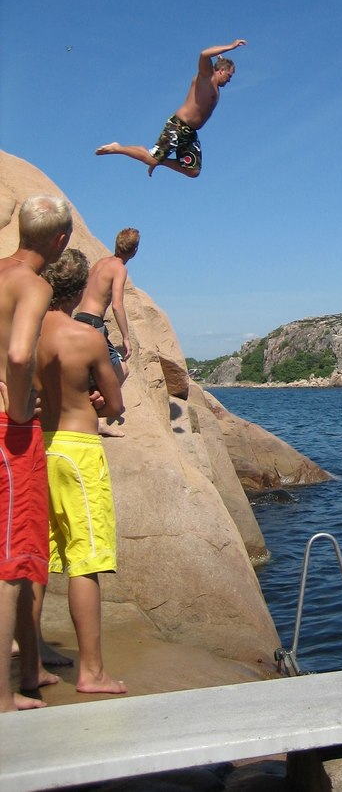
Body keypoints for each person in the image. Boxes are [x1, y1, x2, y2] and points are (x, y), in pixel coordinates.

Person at [35, 248, 127, 695]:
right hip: (78, 448)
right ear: (79, 290)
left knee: (37, 555)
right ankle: (92, 671)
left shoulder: (27, 333)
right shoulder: (86, 338)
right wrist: (100, 401)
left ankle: (32, 653)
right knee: (86, 561)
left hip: (41, 446)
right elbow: (114, 404)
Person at [0, 195, 72, 712]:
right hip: (12, 431)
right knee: (11, 565)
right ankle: (2, 698)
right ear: (60, 240)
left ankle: (30, 668)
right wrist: (23, 402)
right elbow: (20, 352)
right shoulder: (35, 284)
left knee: (24, 555)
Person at [95, 39, 247, 178]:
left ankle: (159, 161)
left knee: (193, 170)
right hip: (178, 126)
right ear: (221, 71)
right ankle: (118, 148)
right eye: (229, 75)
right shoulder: (207, 77)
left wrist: (220, 59)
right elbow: (204, 54)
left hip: (190, 133)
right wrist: (231, 46)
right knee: (151, 159)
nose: (229, 80)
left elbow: (216, 62)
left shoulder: (215, 85)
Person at [74, 228, 139, 437]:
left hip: (79, 319)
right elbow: (117, 305)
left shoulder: (100, 263)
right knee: (122, 369)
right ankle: (99, 421)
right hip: (94, 324)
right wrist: (126, 337)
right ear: (135, 251)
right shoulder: (119, 268)